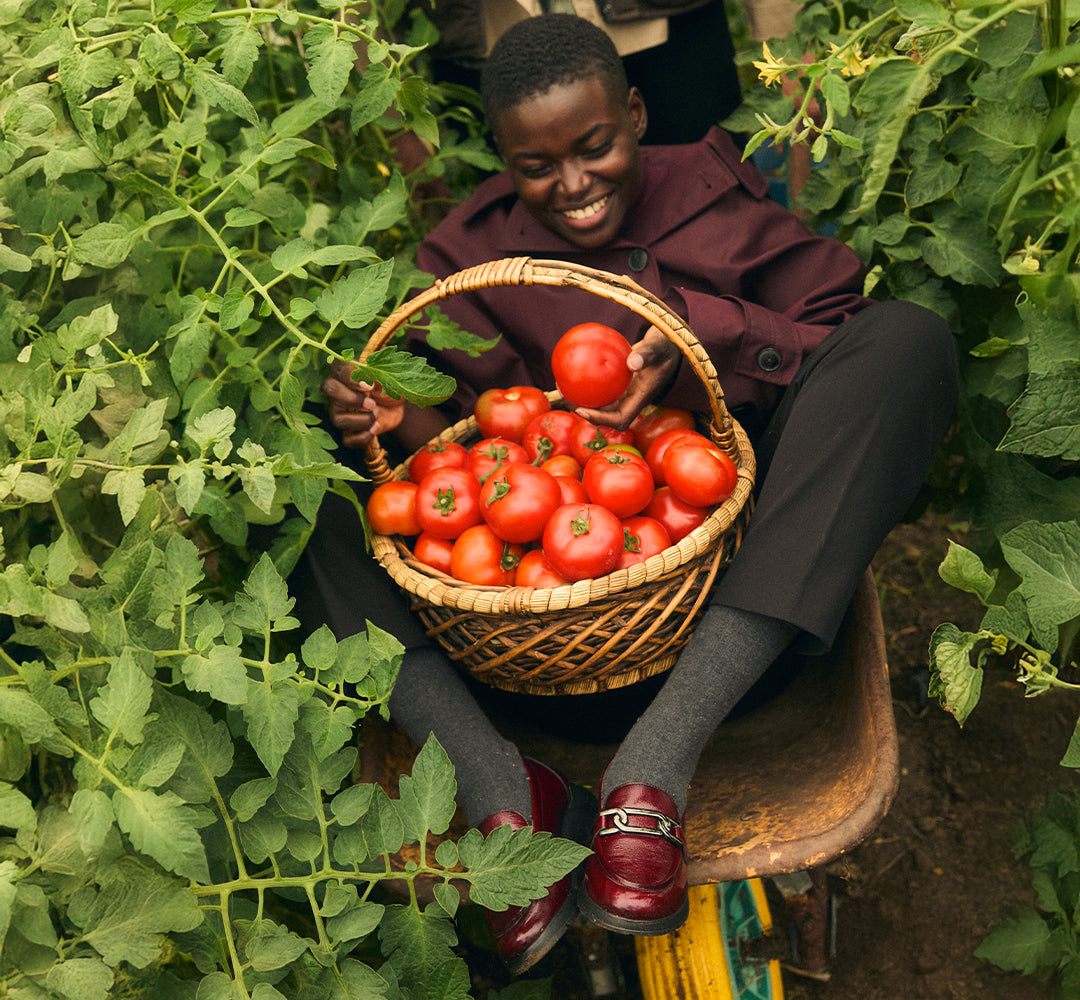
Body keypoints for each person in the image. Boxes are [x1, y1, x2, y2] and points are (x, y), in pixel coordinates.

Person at [304, 13, 958, 974]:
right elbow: (463, 458)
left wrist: (702, 338)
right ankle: (498, 789)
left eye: (595, 146)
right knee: (295, 465)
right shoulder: (464, 260)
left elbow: (840, 340)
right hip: (514, 663)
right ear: (503, 161)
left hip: (735, 628)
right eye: (536, 166)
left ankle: (654, 768)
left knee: (908, 341)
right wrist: (386, 421)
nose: (572, 184)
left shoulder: (718, 203)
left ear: (638, 114)